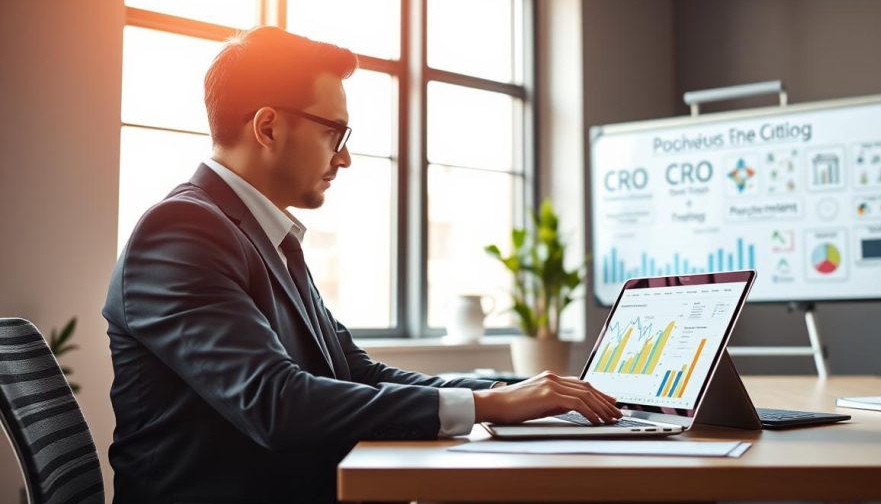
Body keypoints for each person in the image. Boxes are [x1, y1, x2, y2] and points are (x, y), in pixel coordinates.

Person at [102, 26, 621, 504]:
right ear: (268, 127)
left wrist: (507, 390)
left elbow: (355, 372)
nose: (345, 158)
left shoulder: (265, 237)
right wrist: (487, 407)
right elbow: (276, 402)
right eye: (335, 133)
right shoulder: (183, 231)